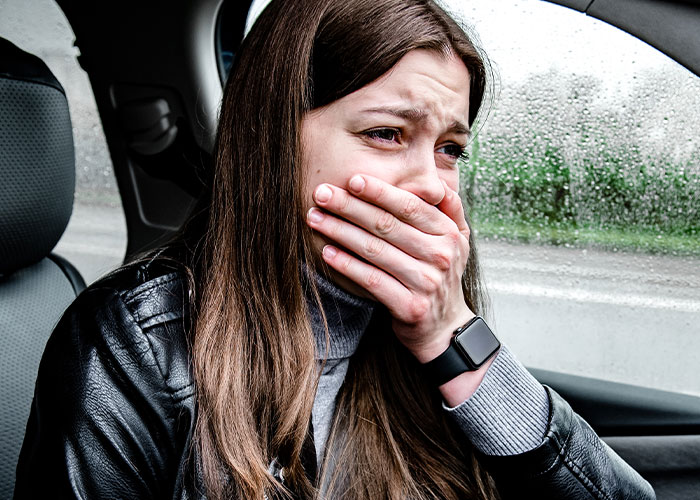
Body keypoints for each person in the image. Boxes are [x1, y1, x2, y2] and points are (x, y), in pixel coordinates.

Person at [14, 0, 655, 499]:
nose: (432, 184)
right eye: (384, 133)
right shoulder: (138, 341)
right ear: (275, 141)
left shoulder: (422, 330)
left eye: (450, 149)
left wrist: (452, 339)